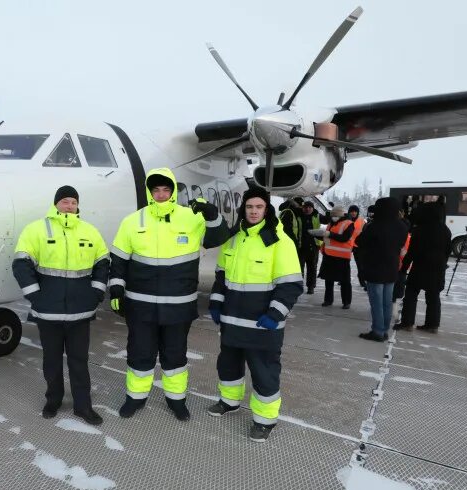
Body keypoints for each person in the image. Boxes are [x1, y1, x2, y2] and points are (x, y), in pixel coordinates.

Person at [109, 168, 228, 421]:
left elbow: (219, 237)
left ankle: (176, 401)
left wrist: (212, 215)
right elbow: (118, 260)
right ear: (150, 192)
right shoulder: (133, 221)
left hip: (178, 306)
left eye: (166, 189)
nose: (161, 194)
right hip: (140, 305)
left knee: (175, 355)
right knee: (140, 353)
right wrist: (116, 289)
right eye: (156, 190)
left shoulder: (191, 218)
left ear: (173, 191)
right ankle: (135, 398)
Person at [207, 186, 303, 442]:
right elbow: (221, 278)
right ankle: (229, 401)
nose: (253, 211)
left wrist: (275, 314)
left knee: (264, 372)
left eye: (259, 207)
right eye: (249, 207)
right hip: (231, 322)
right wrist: (216, 304)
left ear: (267, 209)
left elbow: (291, 285)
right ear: (244, 209)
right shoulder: (234, 239)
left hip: (262, 325)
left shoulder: (279, 241)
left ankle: (264, 421)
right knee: (227, 365)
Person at [12, 186, 109, 425]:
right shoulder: (36, 229)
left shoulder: (89, 231)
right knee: (52, 360)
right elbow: (21, 264)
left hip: (80, 312)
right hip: (48, 312)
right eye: (65, 201)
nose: (69, 206)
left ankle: (83, 406)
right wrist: (36, 296)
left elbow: (103, 263)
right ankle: (53, 400)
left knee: (79, 361)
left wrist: (96, 292)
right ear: (56, 203)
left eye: (73, 202)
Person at [354, 197, 409, 342]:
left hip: (375, 267)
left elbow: (359, 241)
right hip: (392, 267)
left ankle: (377, 331)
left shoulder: (375, 225)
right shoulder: (402, 226)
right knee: (386, 302)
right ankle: (384, 329)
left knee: (376, 302)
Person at [394, 202, 452, 332]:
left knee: (411, 294)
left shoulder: (420, 229)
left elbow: (412, 251)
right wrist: (443, 262)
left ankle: (407, 323)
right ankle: (432, 325)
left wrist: (404, 268)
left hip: (420, 267)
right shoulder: (445, 230)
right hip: (438, 268)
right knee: (433, 297)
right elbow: (448, 250)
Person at [317, 206, 355, 309]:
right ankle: (328, 300)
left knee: (345, 281)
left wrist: (330, 234)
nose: (333, 217)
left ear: (341, 215)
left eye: (335, 216)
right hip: (329, 255)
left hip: (342, 257)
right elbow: (327, 237)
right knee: (328, 280)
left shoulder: (349, 224)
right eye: (332, 215)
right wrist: (317, 234)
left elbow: (344, 238)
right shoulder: (331, 224)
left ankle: (346, 302)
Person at [299, 201, 322, 294]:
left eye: (310, 207)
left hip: (313, 246)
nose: (307, 209)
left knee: (312, 267)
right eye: (305, 207)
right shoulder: (299, 216)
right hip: (301, 246)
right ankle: (299, 286)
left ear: (313, 208)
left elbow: (329, 219)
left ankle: (311, 287)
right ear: (303, 208)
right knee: (299, 268)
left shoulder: (317, 216)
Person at [347, 205, 366, 289]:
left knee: (360, 265)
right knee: (344, 264)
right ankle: (343, 279)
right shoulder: (345, 221)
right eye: (352, 211)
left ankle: (362, 281)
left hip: (358, 246)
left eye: (355, 211)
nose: (353, 213)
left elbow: (365, 233)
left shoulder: (362, 221)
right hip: (346, 244)